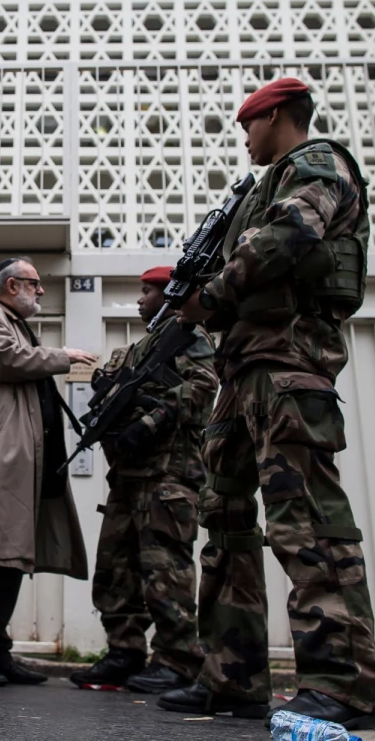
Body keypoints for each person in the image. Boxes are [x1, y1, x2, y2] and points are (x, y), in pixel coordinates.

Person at [156, 78, 375, 730]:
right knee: (222, 522)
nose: (245, 138)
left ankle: (341, 683)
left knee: (304, 517)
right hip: (243, 369)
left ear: (276, 115)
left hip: (288, 365)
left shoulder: (316, 164)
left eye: (248, 125)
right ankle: (231, 677)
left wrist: (214, 296)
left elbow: (292, 235)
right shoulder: (260, 186)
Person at [0, 257, 97, 687]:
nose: (41, 291)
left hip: (15, 463)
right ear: (12, 285)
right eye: (35, 283)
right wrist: (62, 356)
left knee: (8, 558)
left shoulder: (13, 322)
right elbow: (7, 360)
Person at [69, 267, 219, 695]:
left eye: (147, 290)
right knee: (115, 570)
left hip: (169, 475)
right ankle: (125, 651)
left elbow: (203, 387)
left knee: (164, 571)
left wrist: (149, 423)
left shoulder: (189, 335)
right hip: (128, 478)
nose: (139, 298)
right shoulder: (139, 349)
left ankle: (177, 660)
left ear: (169, 294)